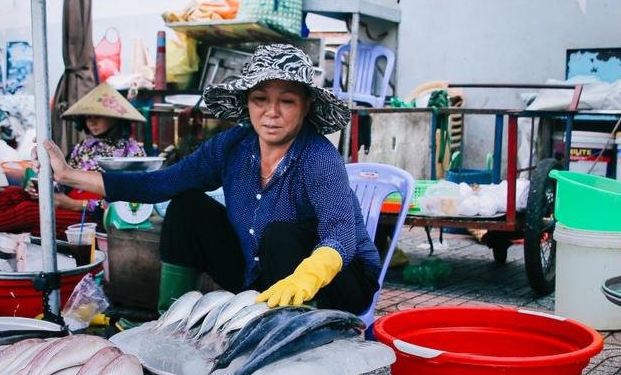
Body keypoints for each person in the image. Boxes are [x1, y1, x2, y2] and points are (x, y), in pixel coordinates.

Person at [40, 43, 381, 315]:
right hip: (259, 273)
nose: (271, 113)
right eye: (260, 99)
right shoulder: (232, 145)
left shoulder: (319, 157)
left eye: (287, 101)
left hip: (339, 283)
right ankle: (171, 320)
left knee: (280, 235)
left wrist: (308, 277)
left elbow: (340, 233)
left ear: (305, 106)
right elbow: (163, 183)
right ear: (247, 102)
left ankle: (299, 333)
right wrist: (70, 175)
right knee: (187, 206)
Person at [0, 82, 145, 234]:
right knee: (16, 194)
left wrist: (73, 204)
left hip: (91, 218)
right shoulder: (84, 146)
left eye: (99, 116)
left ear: (117, 118)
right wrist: (43, 188)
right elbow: (63, 180)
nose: (91, 121)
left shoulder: (132, 152)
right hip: (64, 203)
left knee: (29, 212)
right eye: (88, 116)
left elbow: (130, 203)